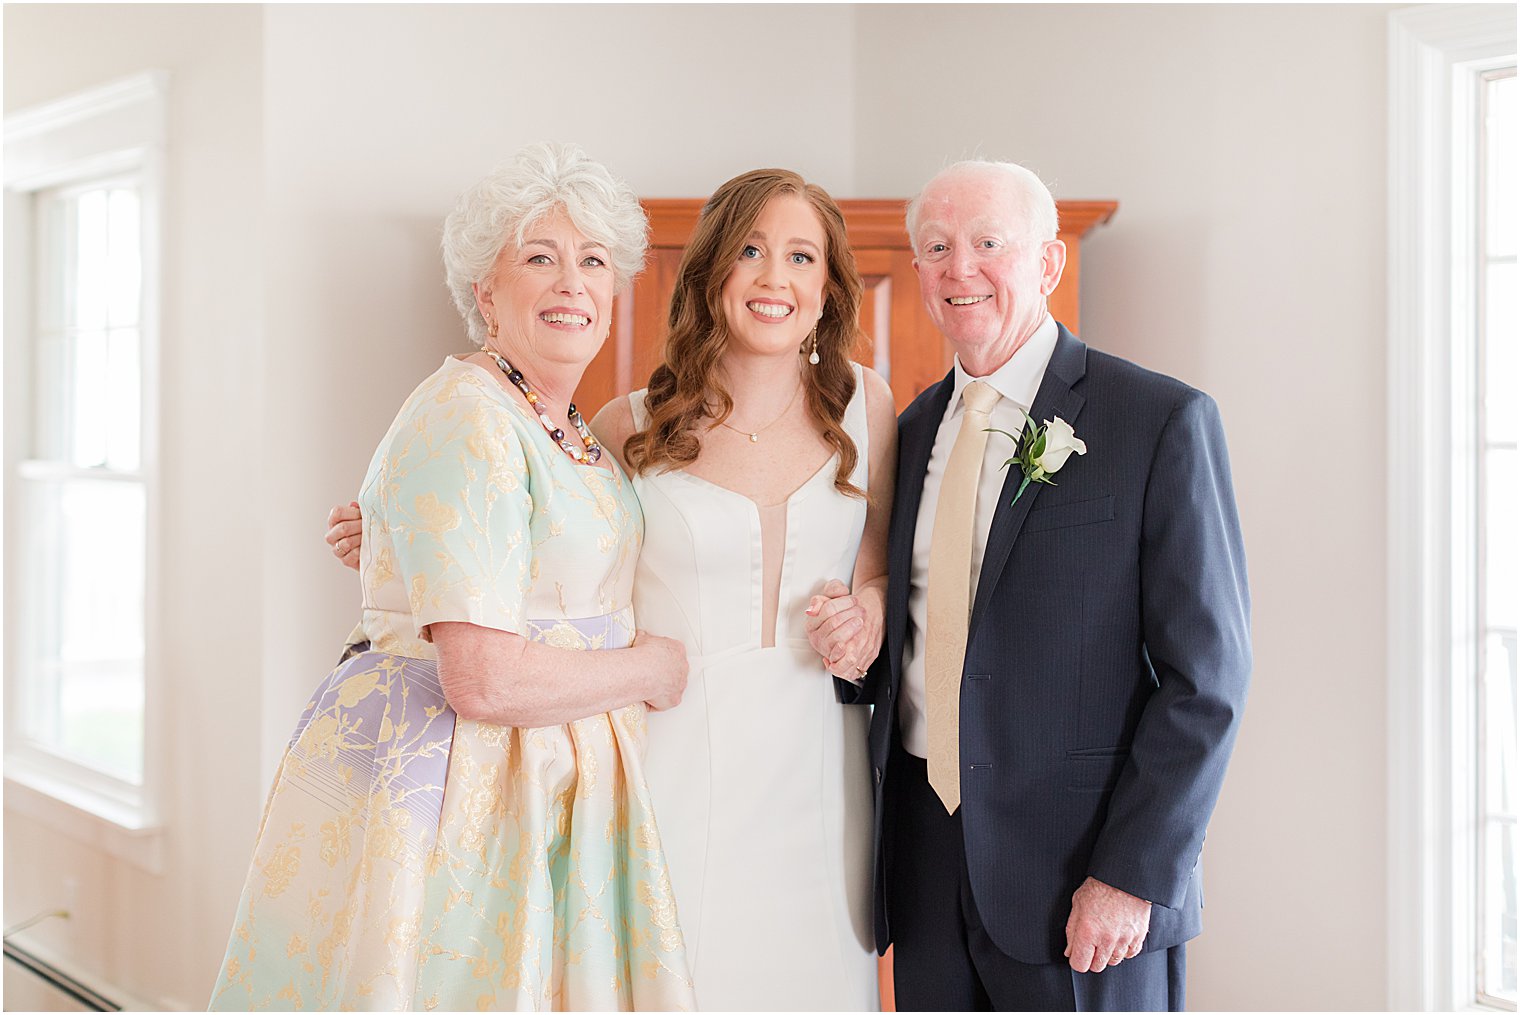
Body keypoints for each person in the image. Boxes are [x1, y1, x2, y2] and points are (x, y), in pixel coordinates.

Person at [328, 168, 898, 1010]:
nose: (775, 276)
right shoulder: (628, 427)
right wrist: (402, 538)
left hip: (821, 776)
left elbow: (884, 570)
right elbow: (552, 567)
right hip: (669, 763)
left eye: (801, 256)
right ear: (710, 276)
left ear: (825, 289)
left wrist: (872, 613)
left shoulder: (867, 405)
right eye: (749, 250)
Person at [212, 142, 696, 1012]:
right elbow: (484, 677)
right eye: (539, 259)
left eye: (592, 261)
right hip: (461, 785)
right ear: (485, 292)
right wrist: (656, 668)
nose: (570, 283)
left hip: (540, 776)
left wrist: (396, 535)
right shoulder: (468, 413)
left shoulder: (561, 423)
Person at [852, 159, 1252, 1011]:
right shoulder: (911, 428)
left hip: (1083, 876)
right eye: (937, 247)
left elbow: (1207, 680)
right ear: (917, 271)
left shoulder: (1158, 421)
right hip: (925, 868)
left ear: (1046, 263)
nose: (960, 269)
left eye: (988, 243)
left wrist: (1131, 875)